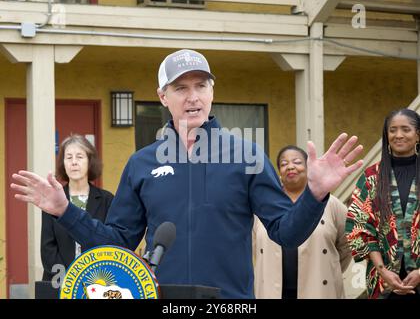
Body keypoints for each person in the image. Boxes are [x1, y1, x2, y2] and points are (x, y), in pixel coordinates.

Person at [11, 49, 364, 298]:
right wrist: (65, 212)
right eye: (181, 88)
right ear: (162, 96)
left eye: (201, 86)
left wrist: (314, 194)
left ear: (212, 91)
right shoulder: (142, 164)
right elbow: (118, 244)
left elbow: (286, 232)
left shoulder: (246, 155)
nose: (192, 97)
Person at [253, 145, 352, 299]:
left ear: (308, 168)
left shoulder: (332, 204)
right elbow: (253, 247)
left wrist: (326, 268)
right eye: (284, 164)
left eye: (297, 162)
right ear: (279, 172)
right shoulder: (264, 205)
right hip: (271, 292)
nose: (290, 166)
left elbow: (346, 247)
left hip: (319, 290)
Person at [346, 108, 420, 299]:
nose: (398, 135)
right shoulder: (372, 177)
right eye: (393, 130)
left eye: (406, 129)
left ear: (418, 134)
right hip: (384, 282)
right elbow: (359, 226)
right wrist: (383, 270)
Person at [41, 134, 114, 281]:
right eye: (69, 157)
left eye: (79, 157)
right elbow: (48, 248)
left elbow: (111, 242)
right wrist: (68, 280)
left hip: (98, 280)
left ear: (90, 161)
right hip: (59, 282)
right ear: (63, 163)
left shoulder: (107, 200)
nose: (74, 162)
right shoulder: (53, 198)